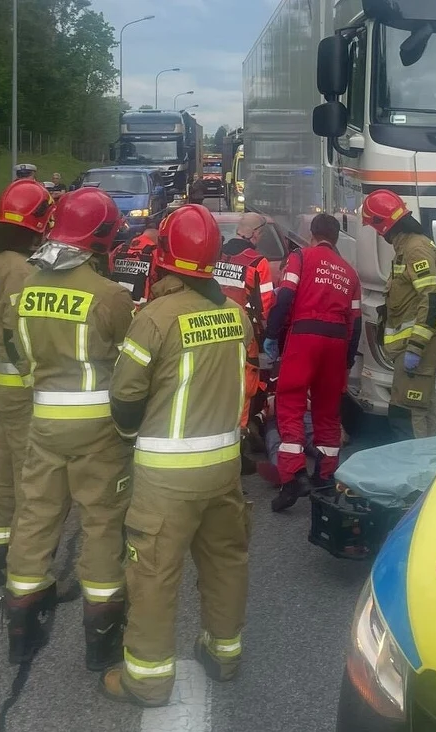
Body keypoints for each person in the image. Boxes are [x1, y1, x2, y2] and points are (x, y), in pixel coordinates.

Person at [101, 204, 253, 708]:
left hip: (167, 478)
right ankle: (224, 654)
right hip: (224, 468)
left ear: (163, 255)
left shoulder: (155, 319)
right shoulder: (235, 315)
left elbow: (124, 398)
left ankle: (146, 680)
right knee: (226, 562)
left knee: (152, 576)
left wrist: (129, 434)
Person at [3, 187, 136, 670]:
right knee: (101, 521)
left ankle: (21, 623)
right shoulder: (109, 296)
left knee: (36, 514)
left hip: (44, 420)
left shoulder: (23, 291)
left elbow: (15, 351)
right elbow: (131, 363)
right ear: (100, 238)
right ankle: (100, 639)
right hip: (99, 427)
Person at [0, 179, 51, 586]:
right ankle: (27, 567)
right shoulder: (20, 271)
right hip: (19, 387)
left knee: (0, 471)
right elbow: (21, 334)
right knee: (29, 479)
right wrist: (35, 377)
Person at [263, 213, 360, 512]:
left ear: (312, 233)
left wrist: (272, 335)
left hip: (305, 336)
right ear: (337, 237)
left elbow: (285, 297)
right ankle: (325, 476)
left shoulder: (301, 258)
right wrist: (345, 360)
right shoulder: (349, 273)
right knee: (328, 413)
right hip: (337, 342)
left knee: (290, 404)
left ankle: (293, 477)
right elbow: (355, 323)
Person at [361, 189, 436, 440]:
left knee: (406, 413)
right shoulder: (408, 247)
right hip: (416, 348)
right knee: (423, 407)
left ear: (383, 224)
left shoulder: (414, 249)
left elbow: (430, 299)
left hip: (418, 348)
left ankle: (413, 470)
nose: (378, 234)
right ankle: (428, 466)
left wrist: (416, 347)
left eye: (376, 227)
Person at [214, 212, 274, 436]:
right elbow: (266, 306)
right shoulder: (258, 263)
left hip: (213, 326)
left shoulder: (217, 256)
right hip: (244, 333)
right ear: (256, 233)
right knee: (245, 382)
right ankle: (240, 433)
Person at [109, 227, 160, 309]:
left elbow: (109, 271)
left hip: (115, 305)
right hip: (143, 310)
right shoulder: (158, 253)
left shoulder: (119, 249)